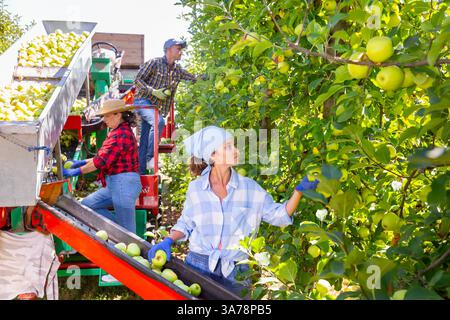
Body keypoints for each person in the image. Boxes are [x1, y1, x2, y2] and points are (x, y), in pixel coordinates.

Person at [147, 126, 319, 296]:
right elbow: (186, 223)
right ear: (212, 155)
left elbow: (279, 215)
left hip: (237, 271)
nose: (236, 150)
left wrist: (298, 192)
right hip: (199, 265)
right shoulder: (196, 188)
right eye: (228, 146)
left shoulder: (250, 189)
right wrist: (168, 241)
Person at [63, 99, 142, 234]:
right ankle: (120, 232)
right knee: (87, 206)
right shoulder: (117, 132)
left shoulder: (121, 134)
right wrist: (81, 162)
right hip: (115, 184)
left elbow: (100, 162)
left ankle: (126, 240)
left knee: (129, 233)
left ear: (118, 114)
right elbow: (101, 157)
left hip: (123, 183)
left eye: (106, 116)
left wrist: (75, 172)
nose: (104, 120)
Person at [134, 38, 201, 174]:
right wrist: (153, 91)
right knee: (159, 122)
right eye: (178, 48)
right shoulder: (155, 63)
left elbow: (194, 78)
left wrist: (213, 75)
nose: (181, 52)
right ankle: (150, 157)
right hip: (143, 101)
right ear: (169, 49)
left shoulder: (177, 70)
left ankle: (141, 174)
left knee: (146, 139)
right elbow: (137, 80)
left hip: (156, 108)